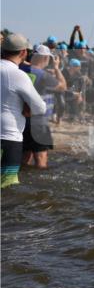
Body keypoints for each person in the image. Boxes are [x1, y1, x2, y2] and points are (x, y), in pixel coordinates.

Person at [1, 34, 47, 188]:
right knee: (7, 187)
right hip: (8, 138)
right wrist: (27, 110)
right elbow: (40, 107)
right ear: (23, 52)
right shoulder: (18, 75)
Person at [21, 45, 66, 169]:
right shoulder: (44, 75)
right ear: (45, 58)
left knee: (25, 157)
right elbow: (63, 86)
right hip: (39, 123)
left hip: (22, 120)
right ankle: (39, 187)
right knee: (41, 161)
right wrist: (57, 68)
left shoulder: (21, 69)